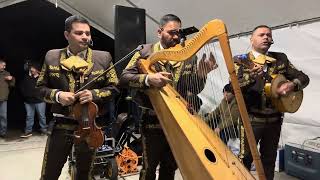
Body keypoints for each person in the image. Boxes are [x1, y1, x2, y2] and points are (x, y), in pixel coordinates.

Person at [120, 14, 216, 180]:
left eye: (178, 32)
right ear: (159, 32)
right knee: (149, 169)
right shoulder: (144, 51)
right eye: (171, 32)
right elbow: (124, 78)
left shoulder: (188, 56)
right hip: (152, 121)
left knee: (170, 167)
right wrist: (149, 79)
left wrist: (201, 75)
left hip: (179, 122)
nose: (176, 37)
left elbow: (192, 88)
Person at [37, 15, 119, 180]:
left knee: (84, 175)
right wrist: (58, 95)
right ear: (67, 35)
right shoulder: (51, 56)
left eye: (87, 33)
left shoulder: (103, 58)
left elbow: (115, 88)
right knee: (49, 174)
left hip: (91, 128)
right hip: (61, 125)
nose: (85, 37)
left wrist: (94, 94)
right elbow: (39, 88)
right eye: (79, 33)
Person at [234, 25, 309, 180]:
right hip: (251, 120)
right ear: (251, 39)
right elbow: (234, 87)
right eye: (261, 34)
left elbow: (304, 78)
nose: (266, 37)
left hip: (275, 120)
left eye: (268, 34)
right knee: (245, 159)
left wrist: (292, 85)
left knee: (269, 159)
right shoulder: (241, 60)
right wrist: (251, 78)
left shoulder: (280, 58)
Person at [20, 63, 47, 138]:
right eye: (30, 69)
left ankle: (44, 130)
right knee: (29, 116)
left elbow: (45, 88)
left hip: (40, 101)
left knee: (41, 116)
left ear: (36, 69)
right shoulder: (26, 77)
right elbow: (22, 87)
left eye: (32, 68)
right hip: (28, 101)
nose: (31, 70)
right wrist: (25, 95)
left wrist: (39, 76)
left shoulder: (41, 78)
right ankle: (28, 131)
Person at [0, 58, 15, 138]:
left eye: (5, 65)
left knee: (3, 116)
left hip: (3, 99)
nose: (4, 67)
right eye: (3, 65)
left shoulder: (6, 73)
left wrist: (11, 79)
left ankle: (2, 133)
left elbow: (12, 85)